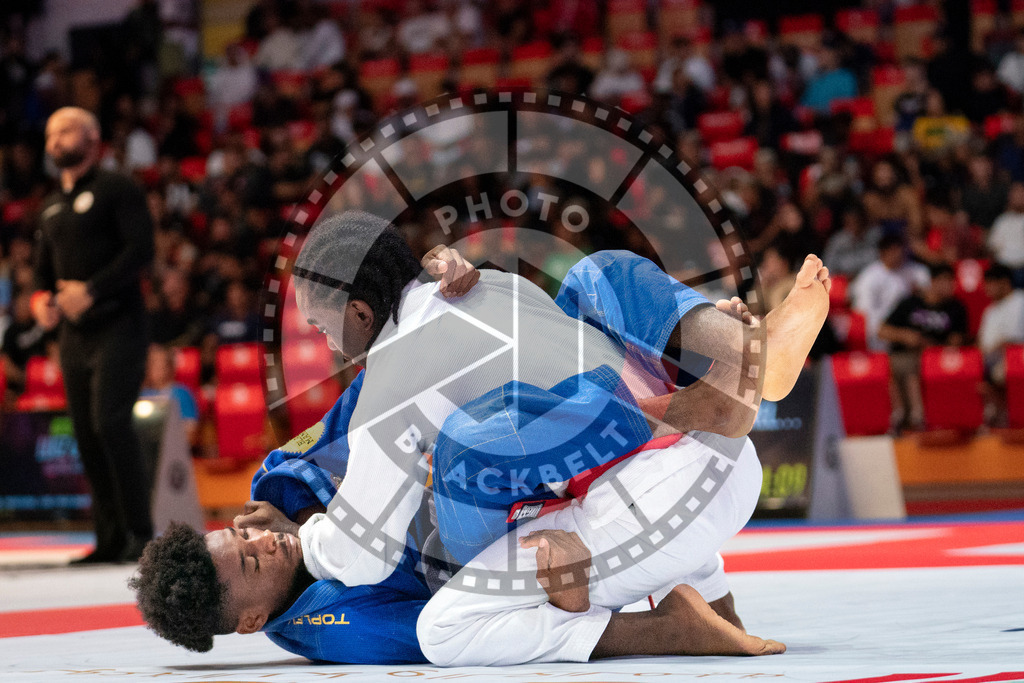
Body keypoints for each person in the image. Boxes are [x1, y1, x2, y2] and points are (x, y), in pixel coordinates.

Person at [31, 107, 155, 564]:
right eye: (50, 133)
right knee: (84, 432)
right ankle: (108, 538)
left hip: (119, 322)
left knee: (111, 421)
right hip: (73, 337)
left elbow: (141, 250)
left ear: (92, 137)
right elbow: (43, 276)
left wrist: (92, 289)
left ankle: (140, 533)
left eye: (64, 130)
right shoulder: (48, 206)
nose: (55, 140)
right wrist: (41, 303)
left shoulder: (117, 189)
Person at [877, 264, 968, 431]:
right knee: (892, 366)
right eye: (943, 281)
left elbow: (956, 341)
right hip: (904, 354)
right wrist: (906, 336)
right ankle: (898, 417)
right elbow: (882, 331)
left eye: (951, 281)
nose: (948, 286)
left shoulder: (956, 308)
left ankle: (918, 418)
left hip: (936, 357)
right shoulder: (910, 303)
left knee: (914, 367)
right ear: (932, 281)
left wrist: (929, 347)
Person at [851, 234, 930, 350]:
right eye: (892, 250)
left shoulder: (918, 272)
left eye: (899, 249)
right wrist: (898, 334)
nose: (897, 254)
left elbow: (931, 302)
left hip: (914, 327)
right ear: (882, 253)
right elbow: (866, 315)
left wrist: (920, 293)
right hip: (882, 333)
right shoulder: (868, 277)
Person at [140, 343, 200, 447]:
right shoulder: (141, 394)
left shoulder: (181, 394)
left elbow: (191, 434)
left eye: (157, 363)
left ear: (169, 366)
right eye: (150, 363)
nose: (151, 368)